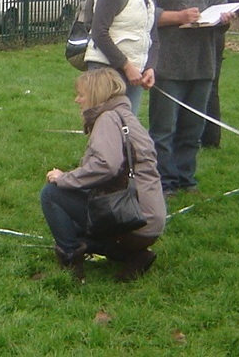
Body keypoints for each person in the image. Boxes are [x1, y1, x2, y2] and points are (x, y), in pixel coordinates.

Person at [40, 68, 166, 282]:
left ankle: (71, 262)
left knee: (51, 194)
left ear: (97, 95)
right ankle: (135, 256)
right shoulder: (126, 116)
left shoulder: (108, 119)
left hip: (130, 218)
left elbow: (106, 165)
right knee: (77, 226)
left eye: (81, 94)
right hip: (148, 221)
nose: (76, 100)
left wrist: (65, 178)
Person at [149, 0, 234, 195]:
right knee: (164, 129)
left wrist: (223, 18)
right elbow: (145, 13)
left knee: (192, 128)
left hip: (202, 62)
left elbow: (219, 3)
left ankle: (186, 178)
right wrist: (179, 17)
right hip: (168, 64)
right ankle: (164, 181)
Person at [83, 0, 164, 115]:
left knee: (127, 126)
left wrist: (150, 67)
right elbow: (99, 32)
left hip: (135, 73)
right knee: (104, 126)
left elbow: (152, 35)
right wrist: (127, 66)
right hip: (105, 69)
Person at [200, 0, 233, 148]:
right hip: (218, 35)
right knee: (212, 86)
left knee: (207, 86)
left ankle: (208, 137)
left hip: (207, 31)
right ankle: (211, 138)